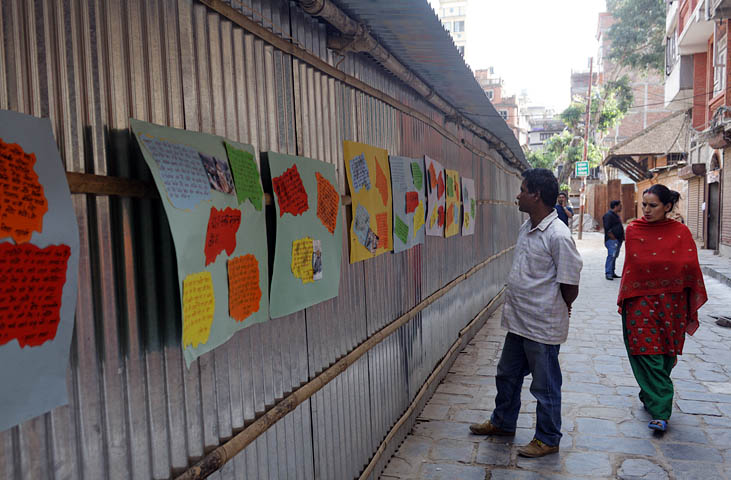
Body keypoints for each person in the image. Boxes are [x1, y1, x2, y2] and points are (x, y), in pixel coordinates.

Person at [469, 168, 582, 458]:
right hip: (519, 322)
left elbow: (570, 282)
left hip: (542, 326)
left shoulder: (558, 235)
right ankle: (503, 422)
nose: (517, 195)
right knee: (507, 374)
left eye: (522, 190)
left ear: (536, 195)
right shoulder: (527, 226)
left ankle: (547, 438)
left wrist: (562, 306)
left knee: (544, 387)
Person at [617, 184, 707, 432]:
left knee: (665, 354)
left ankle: (651, 394)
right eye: (644, 205)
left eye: (652, 205)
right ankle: (661, 410)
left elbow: (689, 266)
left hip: (671, 304)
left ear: (667, 206)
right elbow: (635, 264)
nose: (646, 210)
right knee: (645, 351)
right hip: (639, 301)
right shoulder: (634, 230)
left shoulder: (681, 232)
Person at [603, 200, 624, 280]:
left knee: (614, 256)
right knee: (611, 256)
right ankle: (608, 273)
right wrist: (612, 237)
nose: (621, 207)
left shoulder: (615, 215)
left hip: (617, 239)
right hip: (612, 240)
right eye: (619, 206)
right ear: (615, 206)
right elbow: (607, 227)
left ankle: (612, 272)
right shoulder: (608, 215)